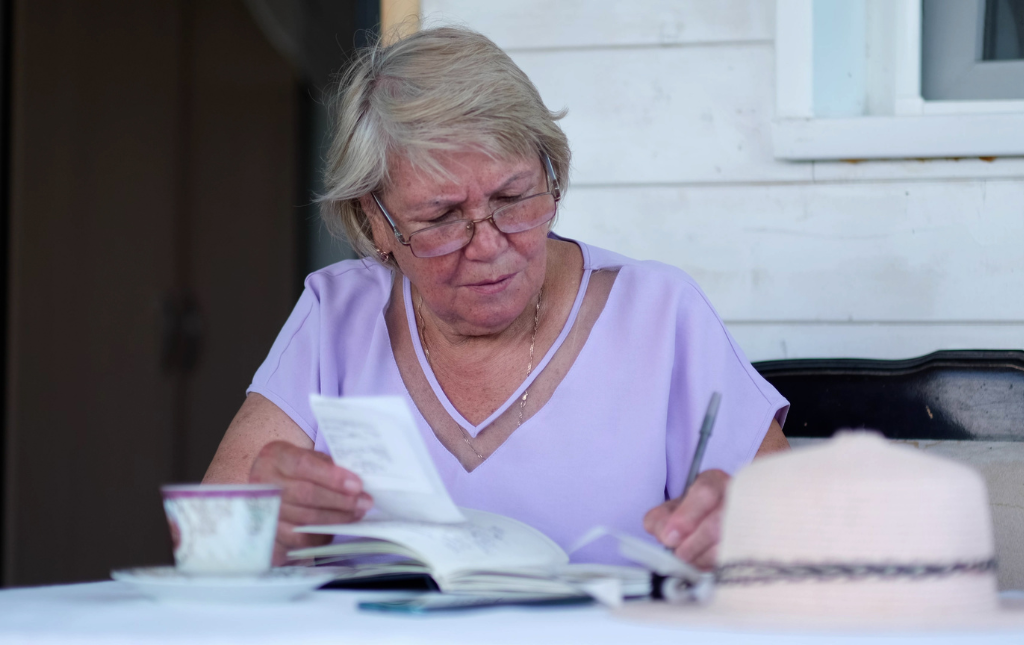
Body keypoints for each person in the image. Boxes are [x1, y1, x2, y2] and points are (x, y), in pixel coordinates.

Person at [203, 26, 789, 568]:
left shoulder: (659, 314)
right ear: (375, 220)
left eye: (513, 200)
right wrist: (271, 526)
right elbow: (207, 546)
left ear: (551, 173)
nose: (487, 246)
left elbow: (810, 537)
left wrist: (749, 529)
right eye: (441, 217)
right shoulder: (338, 318)